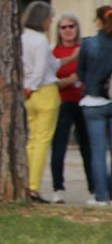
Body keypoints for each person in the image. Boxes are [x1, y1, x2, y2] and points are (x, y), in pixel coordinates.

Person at [50, 12, 93, 202]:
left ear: (77, 28)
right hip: (62, 102)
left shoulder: (84, 50)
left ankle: (95, 188)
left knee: (87, 147)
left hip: (83, 102)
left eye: (71, 26)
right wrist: (68, 80)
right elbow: (48, 77)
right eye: (63, 27)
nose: (68, 30)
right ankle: (58, 188)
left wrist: (78, 78)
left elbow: (91, 73)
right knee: (59, 146)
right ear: (58, 30)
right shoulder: (53, 51)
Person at [21, 1, 61, 203]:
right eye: (49, 19)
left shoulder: (22, 38)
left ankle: (25, 181)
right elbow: (43, 68)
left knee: (32, 141)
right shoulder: (41, 41)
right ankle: (33, 187)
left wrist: (26, 87)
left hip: (28, 94)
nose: (51, 22)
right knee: (43, 141)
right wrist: (33, 85)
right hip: (44, 91)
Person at [77, 5, 112, 206]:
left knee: (97, 152)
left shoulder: (89, 44)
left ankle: (101, 196)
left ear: (98, 21)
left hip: (93, 102)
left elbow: (81, 74)